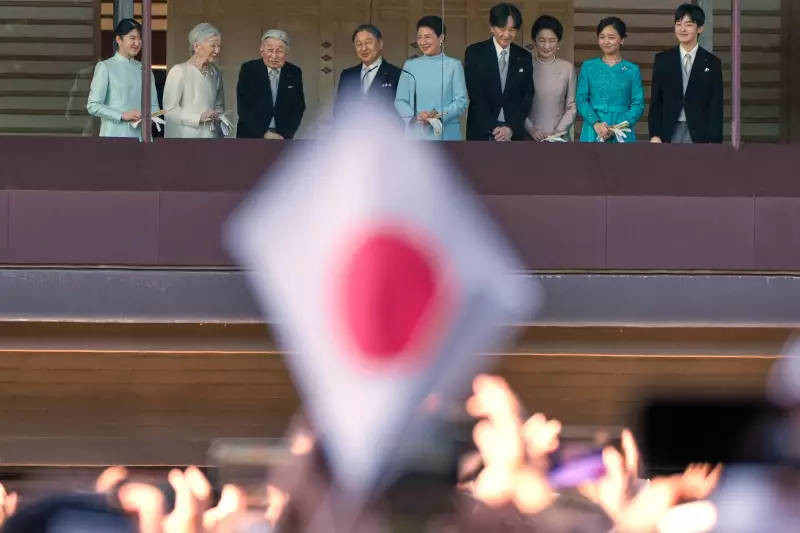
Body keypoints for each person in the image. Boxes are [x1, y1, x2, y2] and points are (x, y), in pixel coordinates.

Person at [649, 4, 723, 144]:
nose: (682, 29)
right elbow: (656, 101)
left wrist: (714, 141)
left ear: (700, 28)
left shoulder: (712, 63)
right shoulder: (663, 59)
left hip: (699, 132)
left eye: (688, 24)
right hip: (669, 129)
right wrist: (655, 134)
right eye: (678, 24)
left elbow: (716, 106)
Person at [464, 3, 534, 142]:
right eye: (502, 28)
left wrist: (511, 127)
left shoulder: (524, 56)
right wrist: (493, 128)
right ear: (491, 27)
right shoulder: (475, 52)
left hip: (513, 133)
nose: (507, 35)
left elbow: (527, 95)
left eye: (512, 29)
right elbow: (476, 94)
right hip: (482, 131)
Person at [395, 15, 468, 140]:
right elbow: (400, 100)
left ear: (441, 38)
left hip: (446, 134)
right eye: (419, 38)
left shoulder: (453, 65)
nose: (423, 42)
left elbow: (461, 101)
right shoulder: (410, 65)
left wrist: (437, 114)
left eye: (427, 37)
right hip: (416, 134)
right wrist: (414, 116)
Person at [86, 19, 159, 139]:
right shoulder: (105, 67)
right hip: (114, 135)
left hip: (141, 137)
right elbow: (93, 105)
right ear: (119, 39)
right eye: (132, 38)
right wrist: (122, 115)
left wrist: (148, 118)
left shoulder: (145, 69)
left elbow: (154, 107)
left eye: (139, 38)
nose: (137, 43)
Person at [576, 17, 644, 143]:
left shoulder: (632, 70)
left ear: (622, 39)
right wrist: (596, 124)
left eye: (611, 37)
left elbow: (638, 105)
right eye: (602, 37)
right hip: (593, 129)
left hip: (621, 130)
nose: (606, 41)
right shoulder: (588, 67)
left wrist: (617, 127)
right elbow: (581, 99)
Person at [236, 29, 306, 140]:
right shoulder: (249, 70)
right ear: (261, 51)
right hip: (251, 135)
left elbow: (298, 107)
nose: (274, 56)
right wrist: (263, 133)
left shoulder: (294, 72)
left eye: (279, 51)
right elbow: (244, 108)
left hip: (281, 137)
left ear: (286, 52)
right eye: (269, 50)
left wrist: (285, 135)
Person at [163, 23, 226, 138]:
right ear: (196, 47)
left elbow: (219, 106)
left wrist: (218, 118)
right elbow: (170, 111)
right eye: (213, 46)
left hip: (211, 138)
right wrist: (198, 117)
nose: (217, 51)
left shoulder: (215, 73)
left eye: (219, 46)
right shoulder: (178, 71)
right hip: (185, 140)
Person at [525, 15, 576, 141]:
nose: (546, 46)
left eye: (552, 40)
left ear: (558, 42)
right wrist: (531, 129)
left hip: (560, 138)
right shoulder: (525, 67)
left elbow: (572, 106)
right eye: (542, 40)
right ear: (534, 40)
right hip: (530, 137)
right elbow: (517, 104)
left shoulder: (567, 68)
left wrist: (558, 131)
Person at [334, 24, 402, 118]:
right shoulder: (347, 75)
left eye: (368, 42)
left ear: (380, 43)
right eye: (359, 44)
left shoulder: (397, 75)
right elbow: (338, 112)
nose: (363, 48)